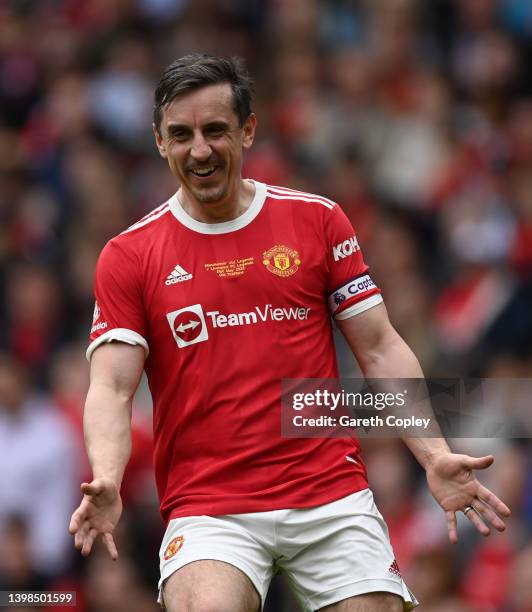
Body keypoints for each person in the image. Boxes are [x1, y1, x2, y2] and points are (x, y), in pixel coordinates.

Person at [69, 54, 511, 612]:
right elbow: (110, 387)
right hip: (210, 506)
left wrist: (434, 454)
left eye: (215, 131)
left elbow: (378, 347)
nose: (199, 150)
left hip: (330, 494)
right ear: (160, 142)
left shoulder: (317, 221)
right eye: (180, 135)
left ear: (248, 130)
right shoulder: (129, 255)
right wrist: (106, 476)